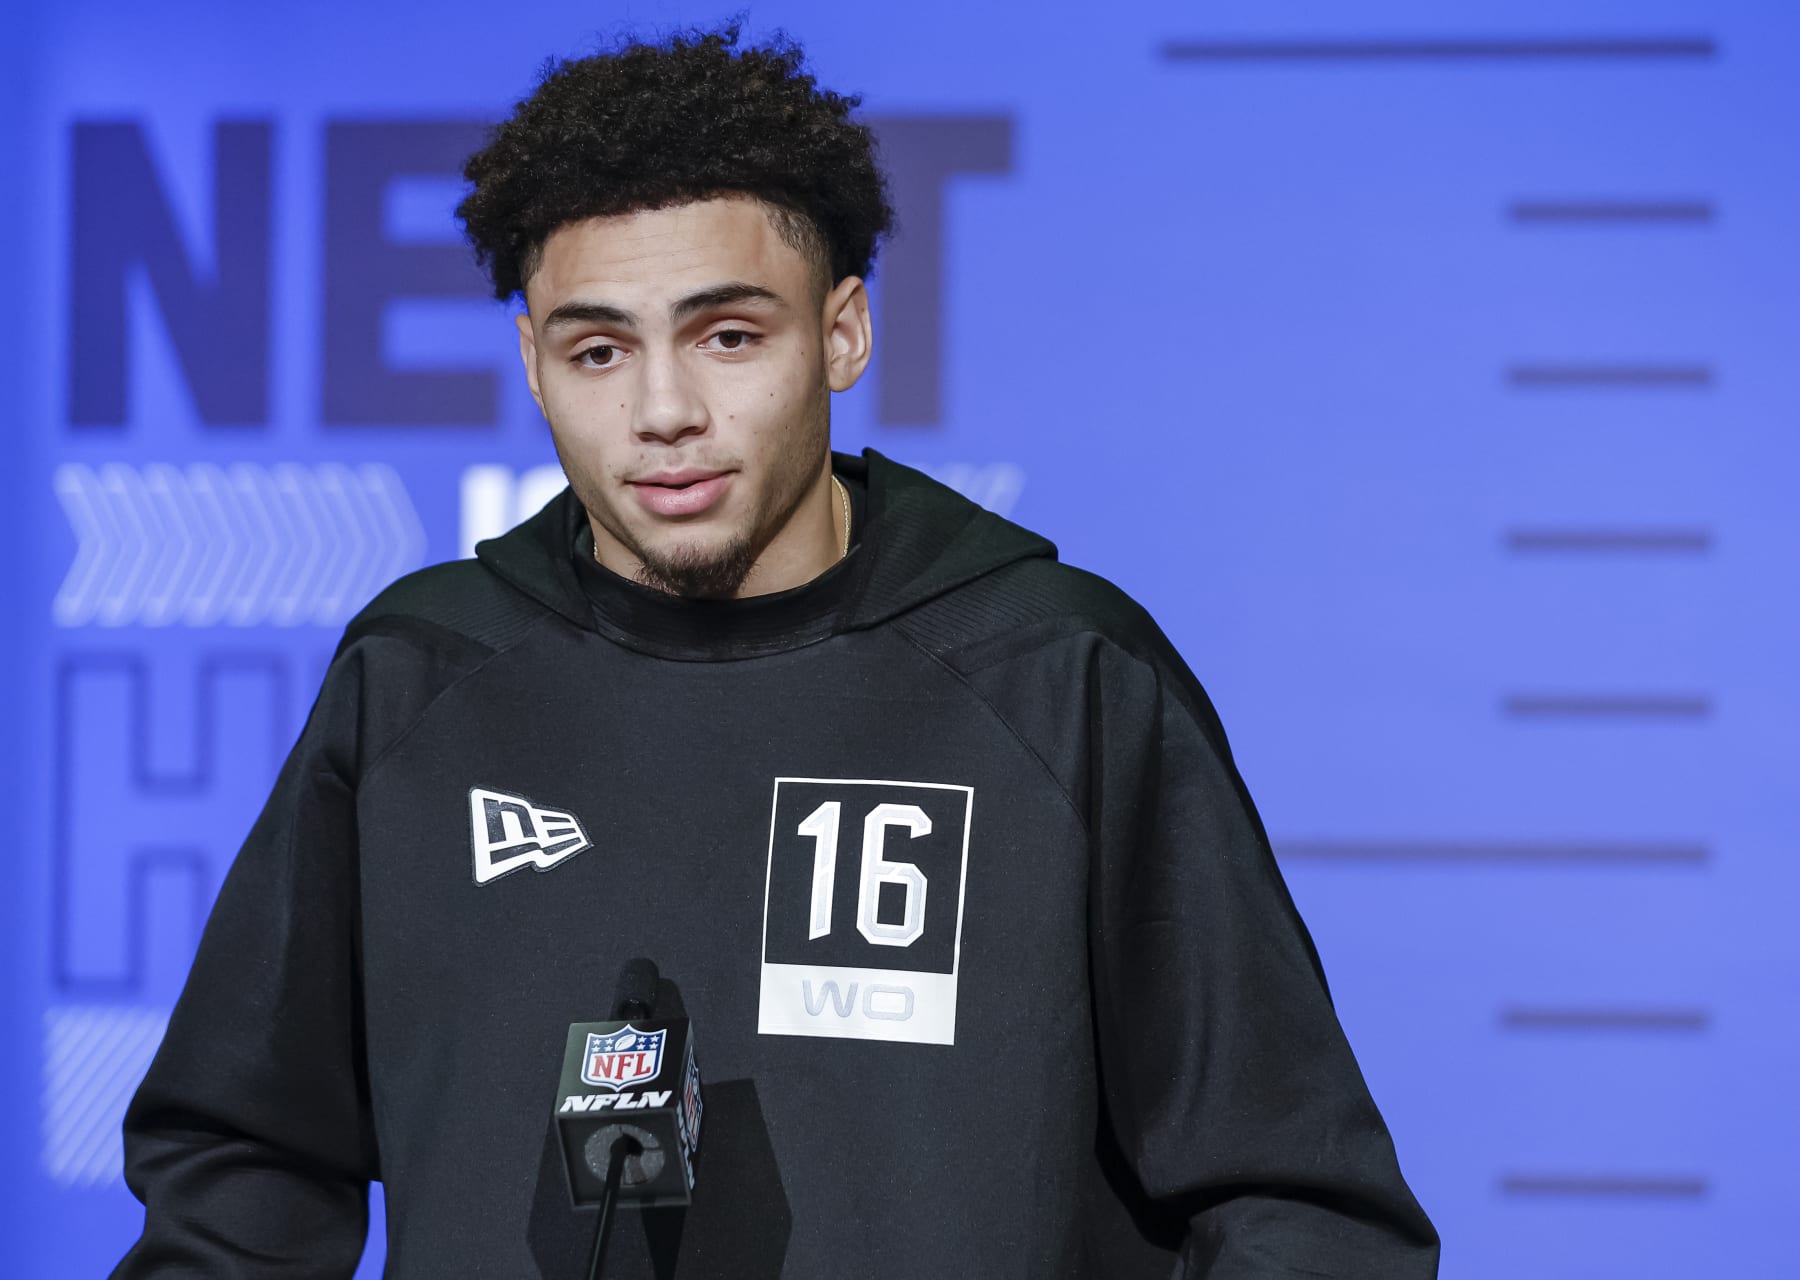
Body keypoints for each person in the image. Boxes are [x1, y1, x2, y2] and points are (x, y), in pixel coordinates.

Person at [115, 24, 1438, 1279]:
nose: (664, 412)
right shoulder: (416, 681)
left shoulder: (1062, 677)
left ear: (843, 332)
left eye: (728, 335)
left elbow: (1296, 1204)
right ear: (532, 362)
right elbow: (244, 1170)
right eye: (597, 350)